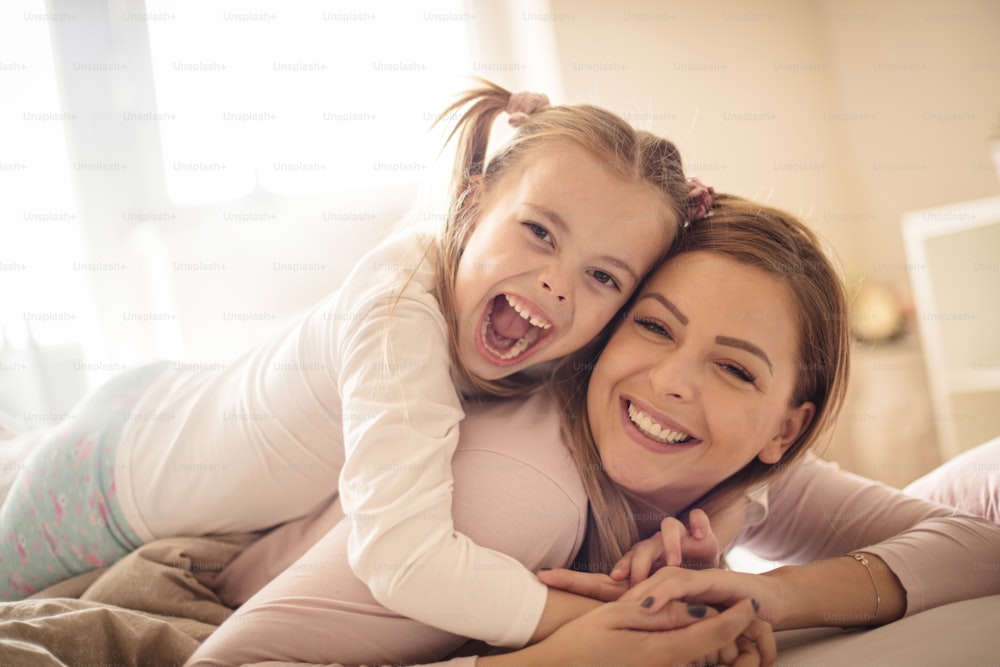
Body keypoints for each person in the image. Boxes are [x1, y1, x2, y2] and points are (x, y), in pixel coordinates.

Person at [0, 80, 707, 653]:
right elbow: (400, 556)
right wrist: (572, 619)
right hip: (100, 480)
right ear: (472, 204)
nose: (558, 282)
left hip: (164, 398)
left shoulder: (541, 336)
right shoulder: (400, 307)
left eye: (604, 277)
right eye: (539, 231)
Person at [187, 194, 1000, 666]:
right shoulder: (516, 488)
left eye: (736, 368)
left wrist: (767, 592)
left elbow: (976, 545)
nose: (673, 381)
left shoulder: (742, 475)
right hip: (211, 559)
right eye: (654, 325)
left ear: (784, 430)